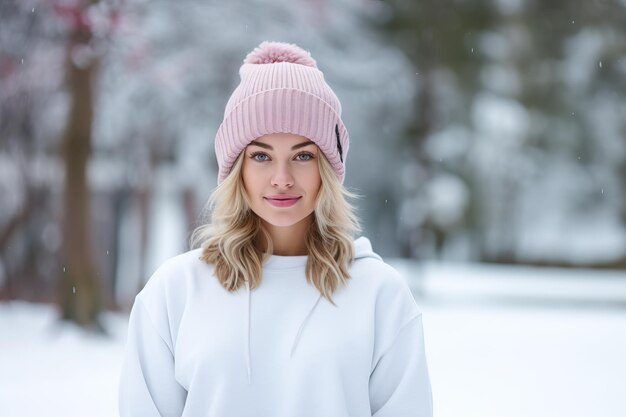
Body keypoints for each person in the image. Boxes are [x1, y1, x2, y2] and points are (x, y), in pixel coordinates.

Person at [119, 41, 432, 417]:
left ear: (327, 171)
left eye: (303, 156)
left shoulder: (380, 295)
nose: (281, 179)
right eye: (261, 156)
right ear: (238, 168)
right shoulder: (176, 290)